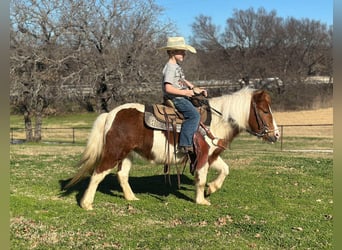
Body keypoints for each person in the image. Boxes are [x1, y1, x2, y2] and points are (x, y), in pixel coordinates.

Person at [159, 37, 207, 154]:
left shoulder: (176, 66)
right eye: (181, 51)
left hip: (182, 96)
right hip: (176, 98)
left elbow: (183, 81)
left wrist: (196, 89)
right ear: (172, 52)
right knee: (194, 115)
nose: (184, 54)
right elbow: (168, 88)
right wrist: (186, 93)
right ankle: (185, 144)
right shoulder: (170, 67)